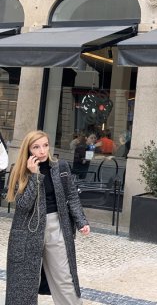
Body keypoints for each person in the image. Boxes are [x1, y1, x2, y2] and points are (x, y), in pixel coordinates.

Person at [5, 130, 90, 305]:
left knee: (64, 278)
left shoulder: (61, 167)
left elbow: (72, 196)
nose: (42, 151)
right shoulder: (19, 171)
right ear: (28, 150)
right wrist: (35, 176)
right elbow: (23, 206)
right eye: (36, 147)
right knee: (24, 284)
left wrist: (81, 221)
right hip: (28, 231)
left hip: (56, 226)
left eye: (45, 145)